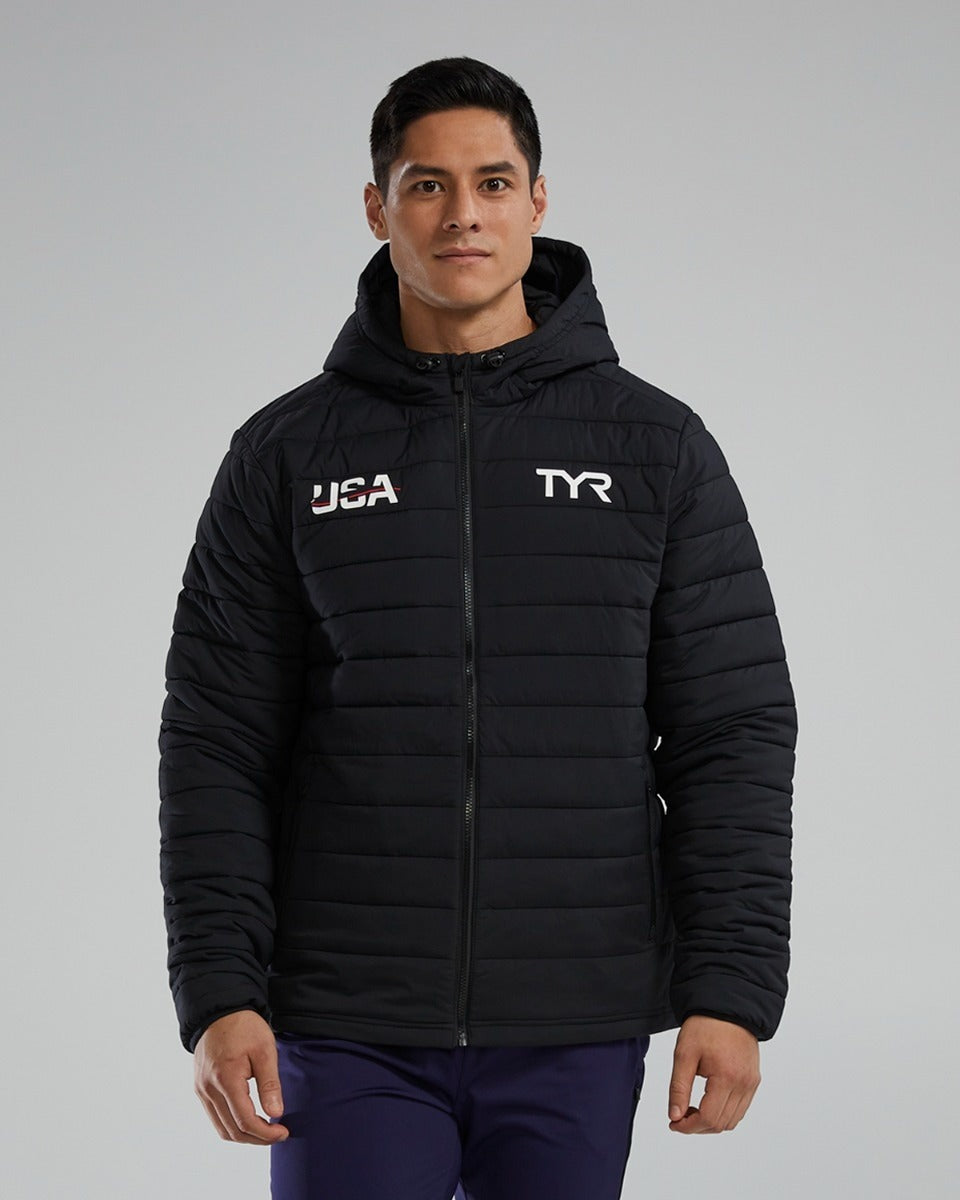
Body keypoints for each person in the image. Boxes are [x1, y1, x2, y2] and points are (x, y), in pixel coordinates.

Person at [158, 55, 797, 1200]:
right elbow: (215, 742)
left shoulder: (655, 449)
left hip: (577, 1011)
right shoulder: (286, 455)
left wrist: (731, 989)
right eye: (427, 185)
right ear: (378, 208)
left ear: (537, 201)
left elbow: (730, 732)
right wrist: (219, 992)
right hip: (346, 1014)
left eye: (493, 182)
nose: (463, 213)